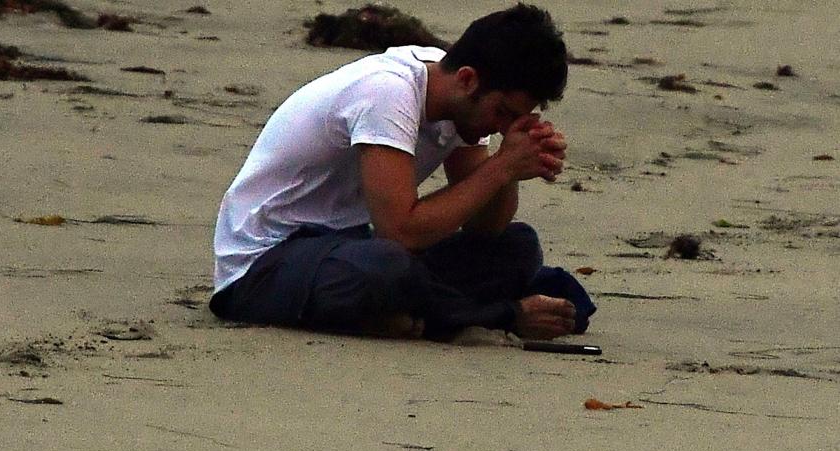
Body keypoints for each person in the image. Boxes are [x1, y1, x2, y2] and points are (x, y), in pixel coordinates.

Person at [209, 3, 596, 340]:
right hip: (263, 265)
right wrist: (501, 166)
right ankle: (492, 316)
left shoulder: (456, 96)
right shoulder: (387, 93)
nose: (499, 127)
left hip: (349, 245)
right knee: (386, 267)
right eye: (502, 114)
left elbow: (485, 228)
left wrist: (511, 165)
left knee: (517, 246)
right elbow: (401, 231)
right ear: (467, 79)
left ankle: (409, 315)